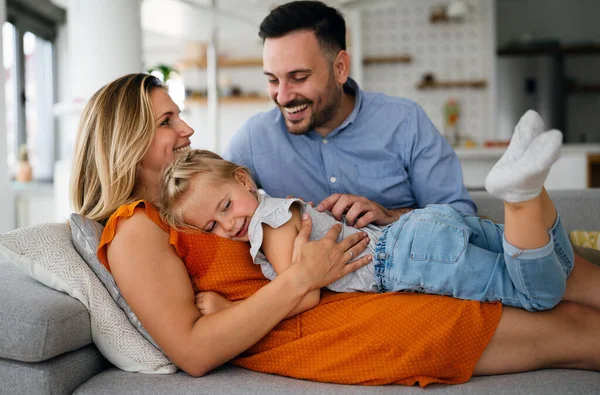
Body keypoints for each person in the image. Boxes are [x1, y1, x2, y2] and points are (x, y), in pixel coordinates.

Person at [71, 73, 600, 387]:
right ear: (127, 138)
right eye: (166, 122)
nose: (185, 128)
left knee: (570, 283)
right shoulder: (135, 229)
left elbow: (263, 211)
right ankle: (525, 194)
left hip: (349, 288)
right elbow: (193, 350)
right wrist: (301, 280)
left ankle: (524, 195)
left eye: (178, 116)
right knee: (575, 329)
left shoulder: (189, 198)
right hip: (334, 325)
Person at [159, 111, 594, 315]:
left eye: (226, 207)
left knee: (539, 294)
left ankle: (519, 196)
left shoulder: (267, 225)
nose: (230, 225)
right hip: (421, 227)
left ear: (242, 179)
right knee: (559, 262)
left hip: (407, 258)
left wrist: (229, 310)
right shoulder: (276, 204)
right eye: (212, 226)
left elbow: (301, 291)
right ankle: (532, 189)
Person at [224, 0, 476, 231]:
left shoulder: (405, 121)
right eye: (272, 80)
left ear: (340, 68)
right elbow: (206, 204)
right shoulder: (254, 139)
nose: (283, 96)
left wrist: (391, 215)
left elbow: (463, 218)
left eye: (298, 78)